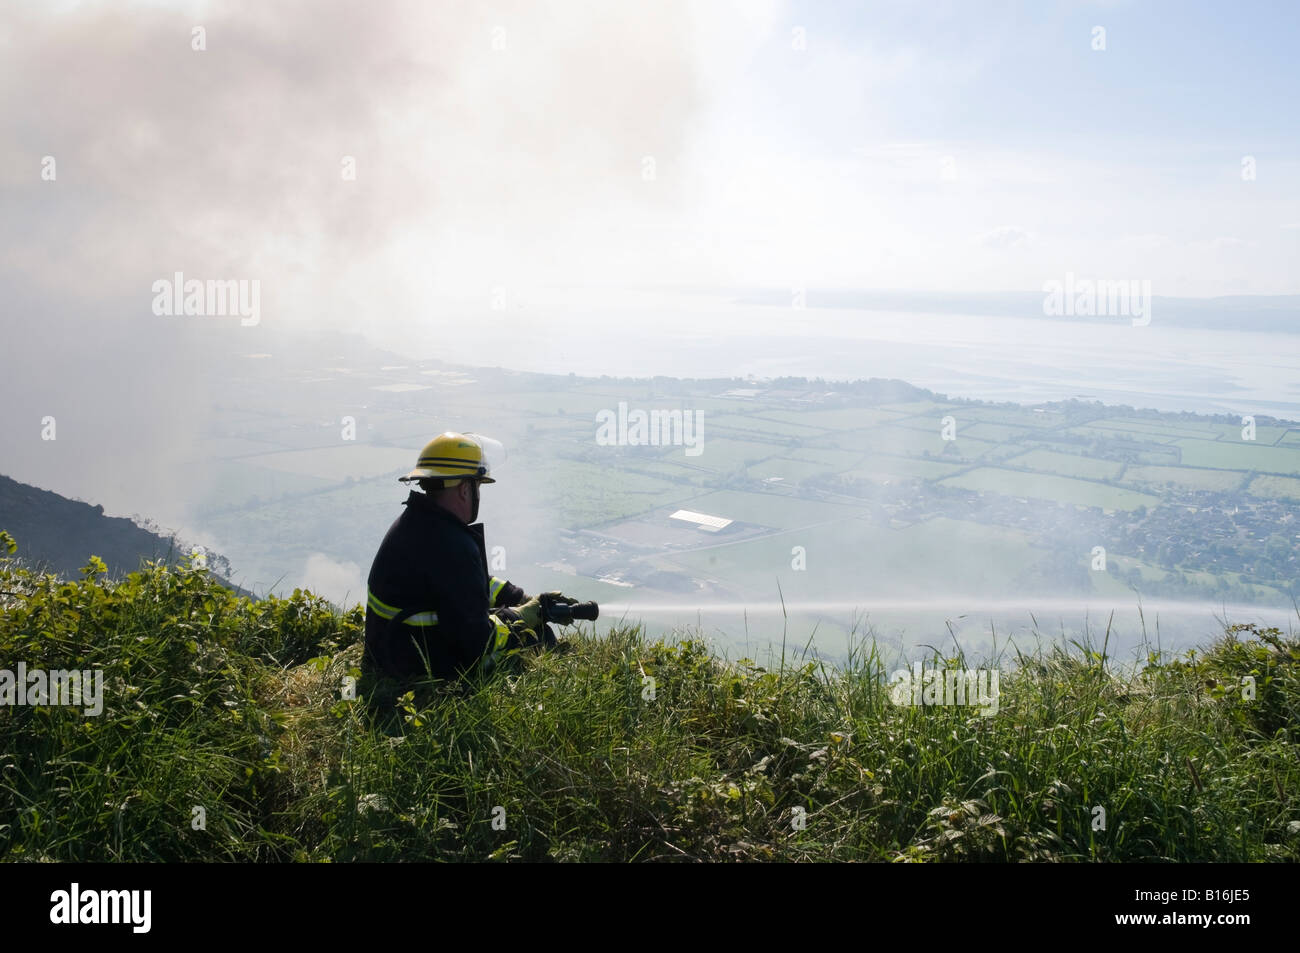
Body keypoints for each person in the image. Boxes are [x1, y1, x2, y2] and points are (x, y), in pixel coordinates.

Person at [361, 431, 572, 686]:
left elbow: (462, 586)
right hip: (420, 667)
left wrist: (519, 599)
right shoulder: (451, 544)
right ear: (464, 489)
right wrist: (523, 617)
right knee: (536, 635)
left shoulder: (418, 523)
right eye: (478, 485)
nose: (479, 494)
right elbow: (477, 643)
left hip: (395, 652)